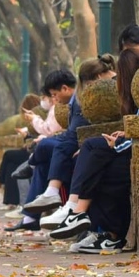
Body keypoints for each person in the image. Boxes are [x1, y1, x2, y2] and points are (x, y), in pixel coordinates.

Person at [46, 48, 139, 246]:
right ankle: (87, 221)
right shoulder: (132, 94)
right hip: (129, 147)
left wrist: (120, 142)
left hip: (138, 155)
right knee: (87, 152)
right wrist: (125, 135)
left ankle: (88, 219)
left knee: (95, 158)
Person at [20, 58, 115, 225]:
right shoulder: (77, 100)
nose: (54, 99)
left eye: (55, 94)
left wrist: (35, 122)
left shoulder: (99, 93)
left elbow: (68, 131)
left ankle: (65, 204)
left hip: (95, 142)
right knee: (47, 154)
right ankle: (49, 203)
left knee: (52, 148)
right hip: (80, 141)